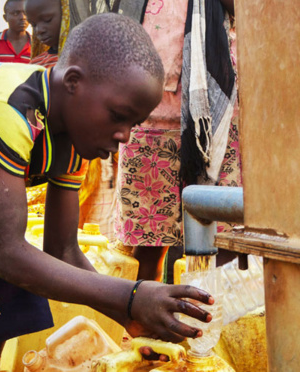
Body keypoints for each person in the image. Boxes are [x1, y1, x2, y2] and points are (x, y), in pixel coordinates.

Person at [0, 13, 214, 344]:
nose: (125, 137)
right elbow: (6, 253)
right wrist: (131, 296)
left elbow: (62, 251)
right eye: (118, 117)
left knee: (11, 304)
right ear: (73, 82)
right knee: (0, 284)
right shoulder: (14, 106)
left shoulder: (75, 131)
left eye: (134, 124)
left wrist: (131, 317)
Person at [114, 0, 240, 282]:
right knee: (149, 242)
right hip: (147, 116)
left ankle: (217, 320)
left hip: (213, 117)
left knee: (223, 238)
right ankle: (147, 321)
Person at [26, 0, 67, 67]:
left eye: (47, 19)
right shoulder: (35, 65)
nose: (38, 30)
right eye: (33, 25)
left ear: (66, 13)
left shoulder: (85, 59)